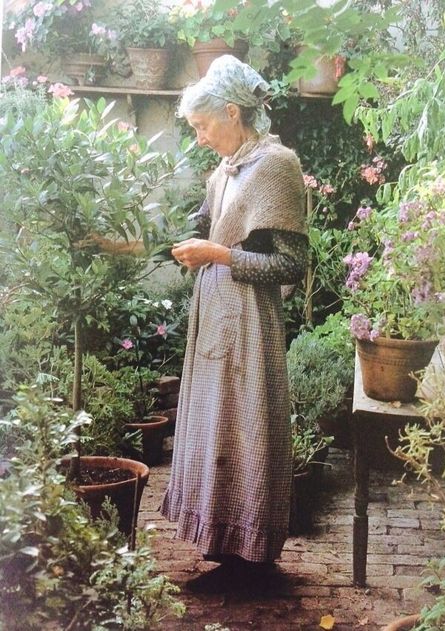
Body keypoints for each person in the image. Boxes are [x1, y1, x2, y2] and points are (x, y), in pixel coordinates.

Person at [160, 55, 308, 580]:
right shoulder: (223, 171)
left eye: (202, 126)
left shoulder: (276, 165)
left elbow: (292, 264)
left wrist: (219, 256)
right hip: (213, 316)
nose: (199, 137)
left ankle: (251, 550)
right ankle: (221, 542)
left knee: (246, 425)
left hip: (250, 322)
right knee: (214, 423)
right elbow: (202, 228)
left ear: (231, 111)